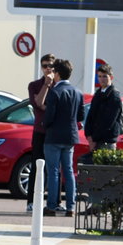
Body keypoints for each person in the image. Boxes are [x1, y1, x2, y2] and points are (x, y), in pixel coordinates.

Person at [43, 59, 85, 218]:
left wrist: (44, 123)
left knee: (53, 171)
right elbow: (81, 115)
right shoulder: (77, 92)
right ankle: (71, 206)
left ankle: (52, 206)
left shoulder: (55, 92)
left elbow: (49, 116)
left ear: (58, 74)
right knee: (68, 171)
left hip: (54, 136)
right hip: (70, 136)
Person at [26, 53, 55, 213]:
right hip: (39, 131)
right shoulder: (34, 85)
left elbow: (51, 107)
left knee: (53, 168)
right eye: (45, 66)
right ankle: (31, 201)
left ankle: (54, 202)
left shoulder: (59, 86)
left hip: (53, 131)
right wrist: (47, 85)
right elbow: (38, 104)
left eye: (50, 65)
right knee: (36, 166)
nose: (48, 69)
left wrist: (46, 106)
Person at [84, 64, 123, 151]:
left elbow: (109, 121)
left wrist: (95, 138)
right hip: (95, 139)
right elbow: (91, 115)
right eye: (99, 76)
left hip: (107, 141)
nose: (102, 79)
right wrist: (89, 135)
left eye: (105, 76)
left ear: (111, 77)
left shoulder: (114, 95)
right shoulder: (98, 93)